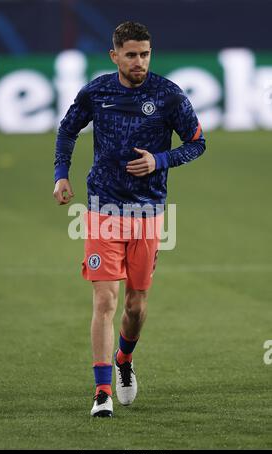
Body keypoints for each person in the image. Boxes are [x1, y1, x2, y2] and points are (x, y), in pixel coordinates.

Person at [53, 21, 206, 418]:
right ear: (115, 55)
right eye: (132, 54)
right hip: (103, 208)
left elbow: (197, 142)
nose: (140, 62)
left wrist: (161, 159)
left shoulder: (168, 95)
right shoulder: (97, 91)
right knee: (105, 299)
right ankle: (101, 390)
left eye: (146, 54)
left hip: (149, 212)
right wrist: (61, 175)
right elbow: (67, 131)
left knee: (136, 306)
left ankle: (124, 360)